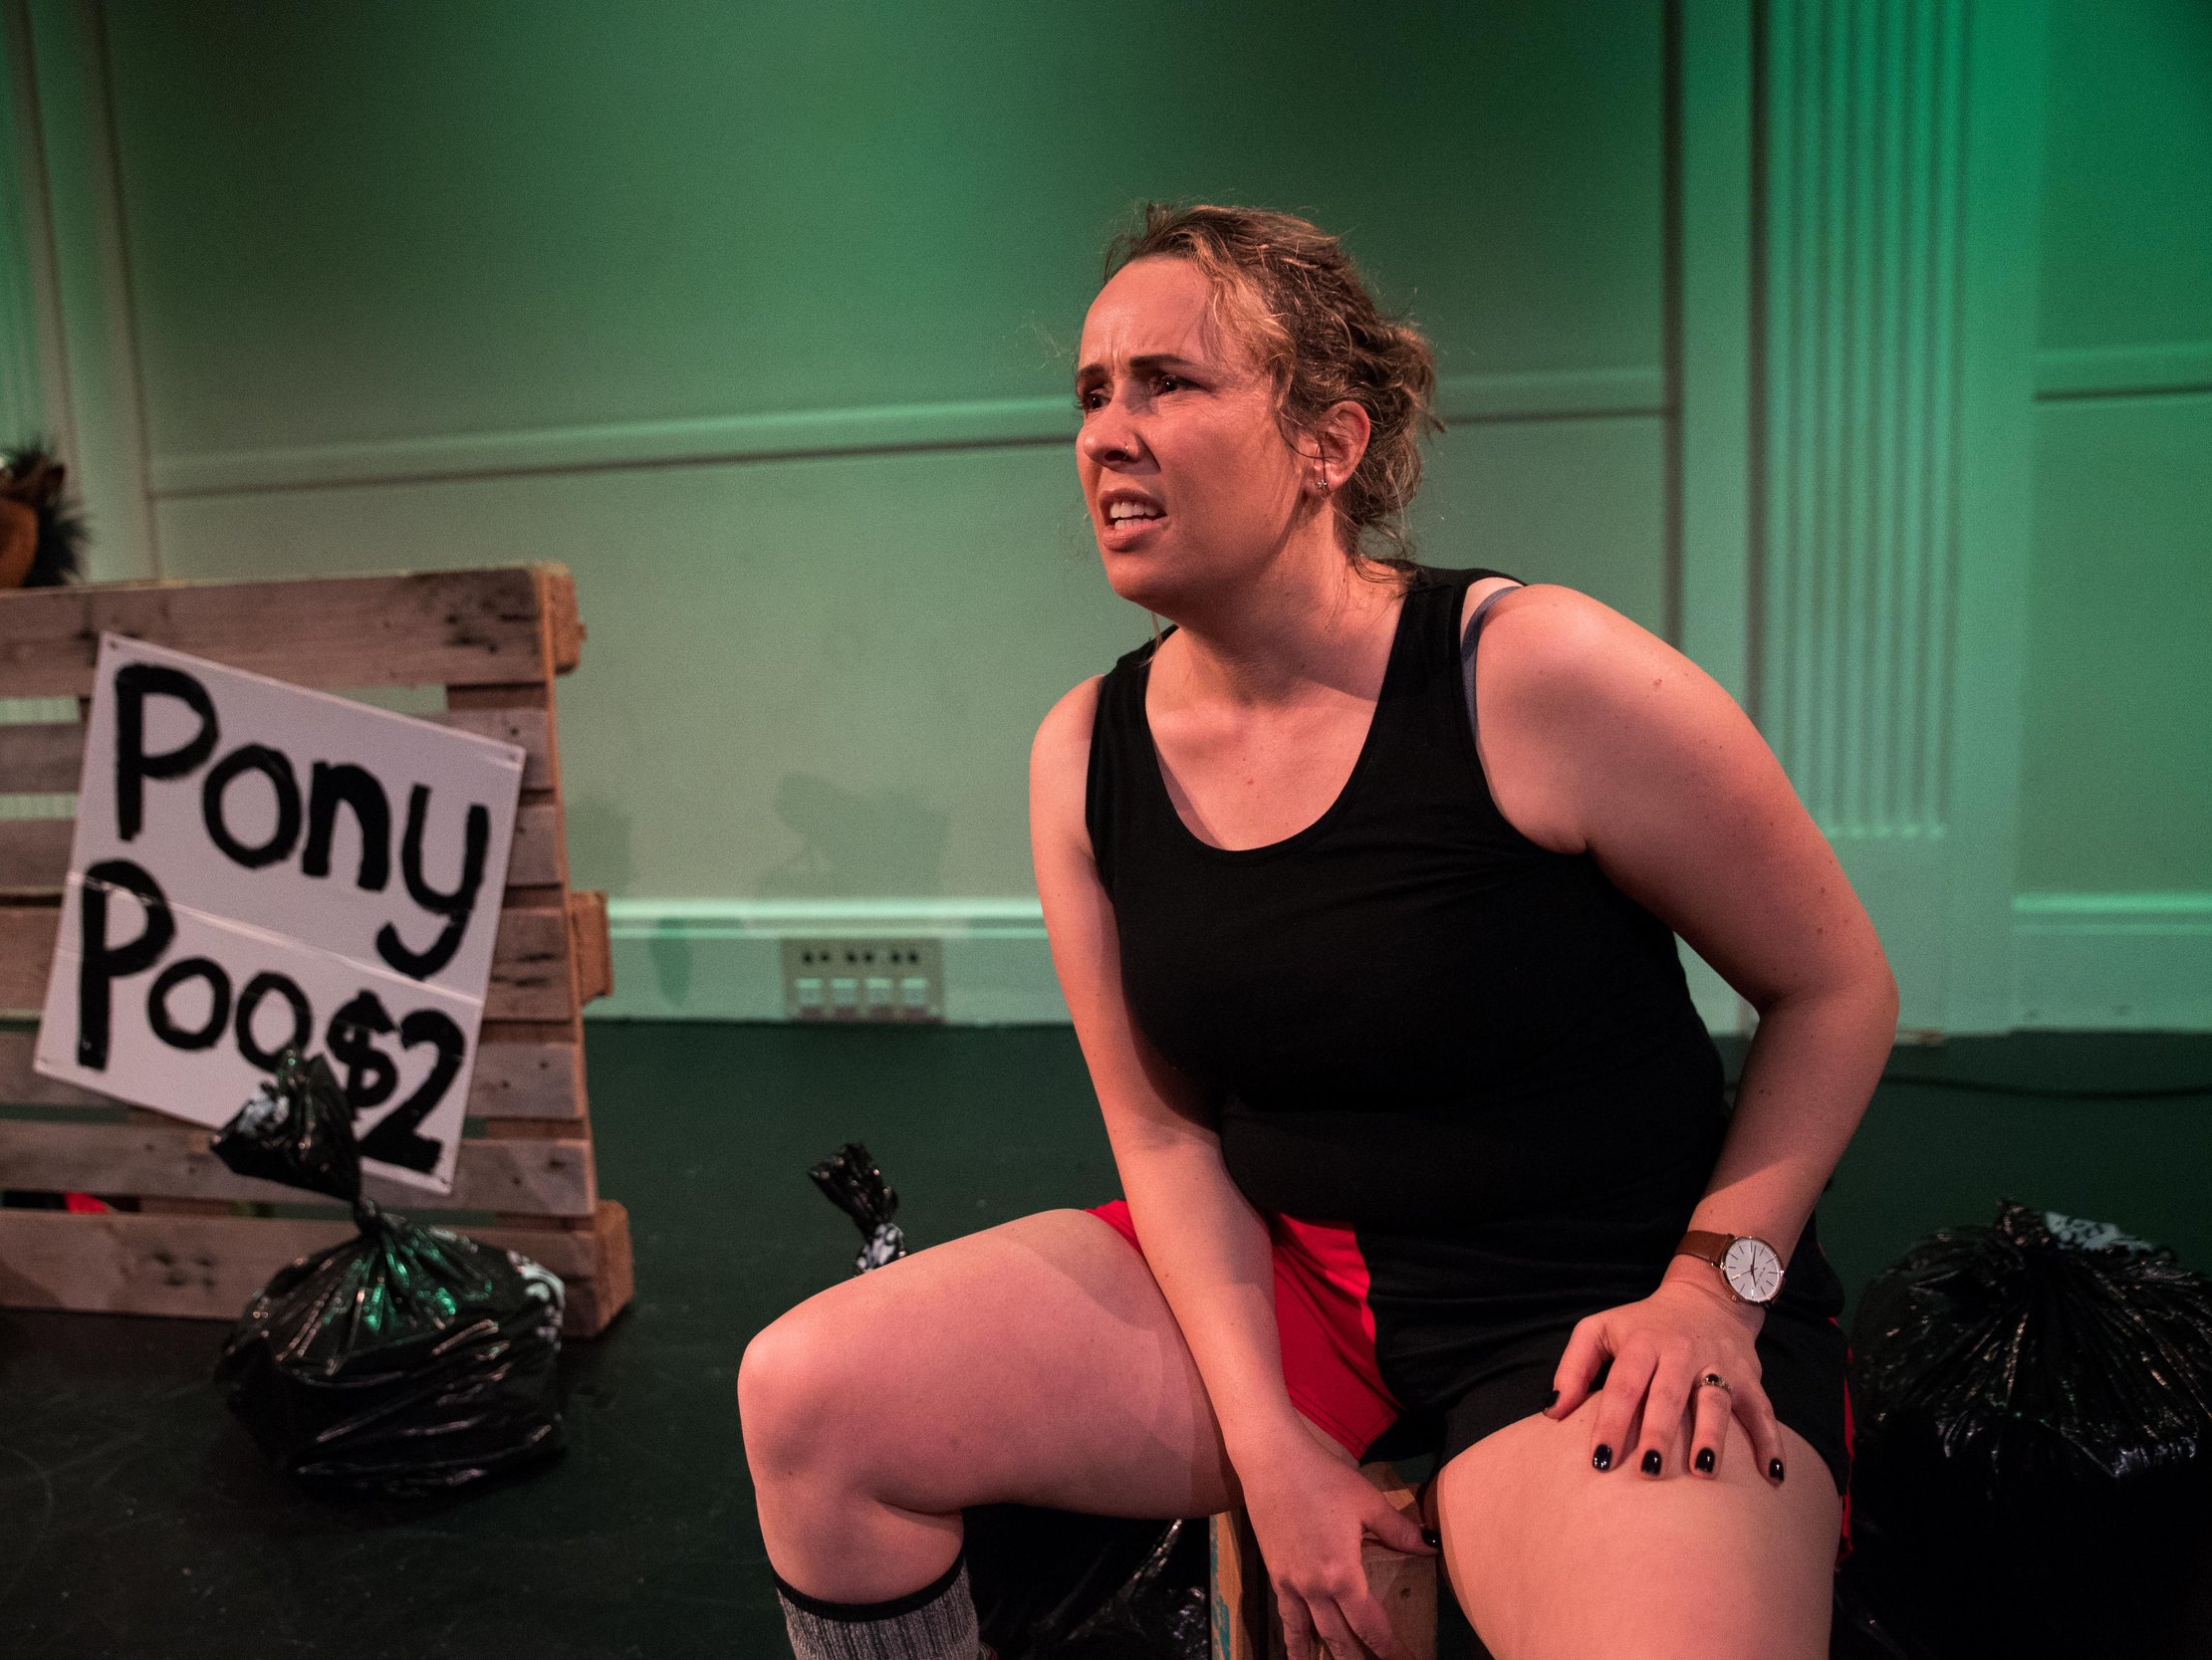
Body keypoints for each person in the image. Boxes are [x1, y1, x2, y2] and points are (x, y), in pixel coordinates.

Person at [739, 202, 1895, 1660]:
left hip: (1604, 1303)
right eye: (1091, 393)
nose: (1106, 435)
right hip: (1299, 1284)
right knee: (811, 1399)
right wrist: (1264, 1435)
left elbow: (1836, 989)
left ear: (1328, 444)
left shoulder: (1532, 672)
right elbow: (1164, 1135)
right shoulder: (1084, 752)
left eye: (1168, 382)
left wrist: (1715, 1290)